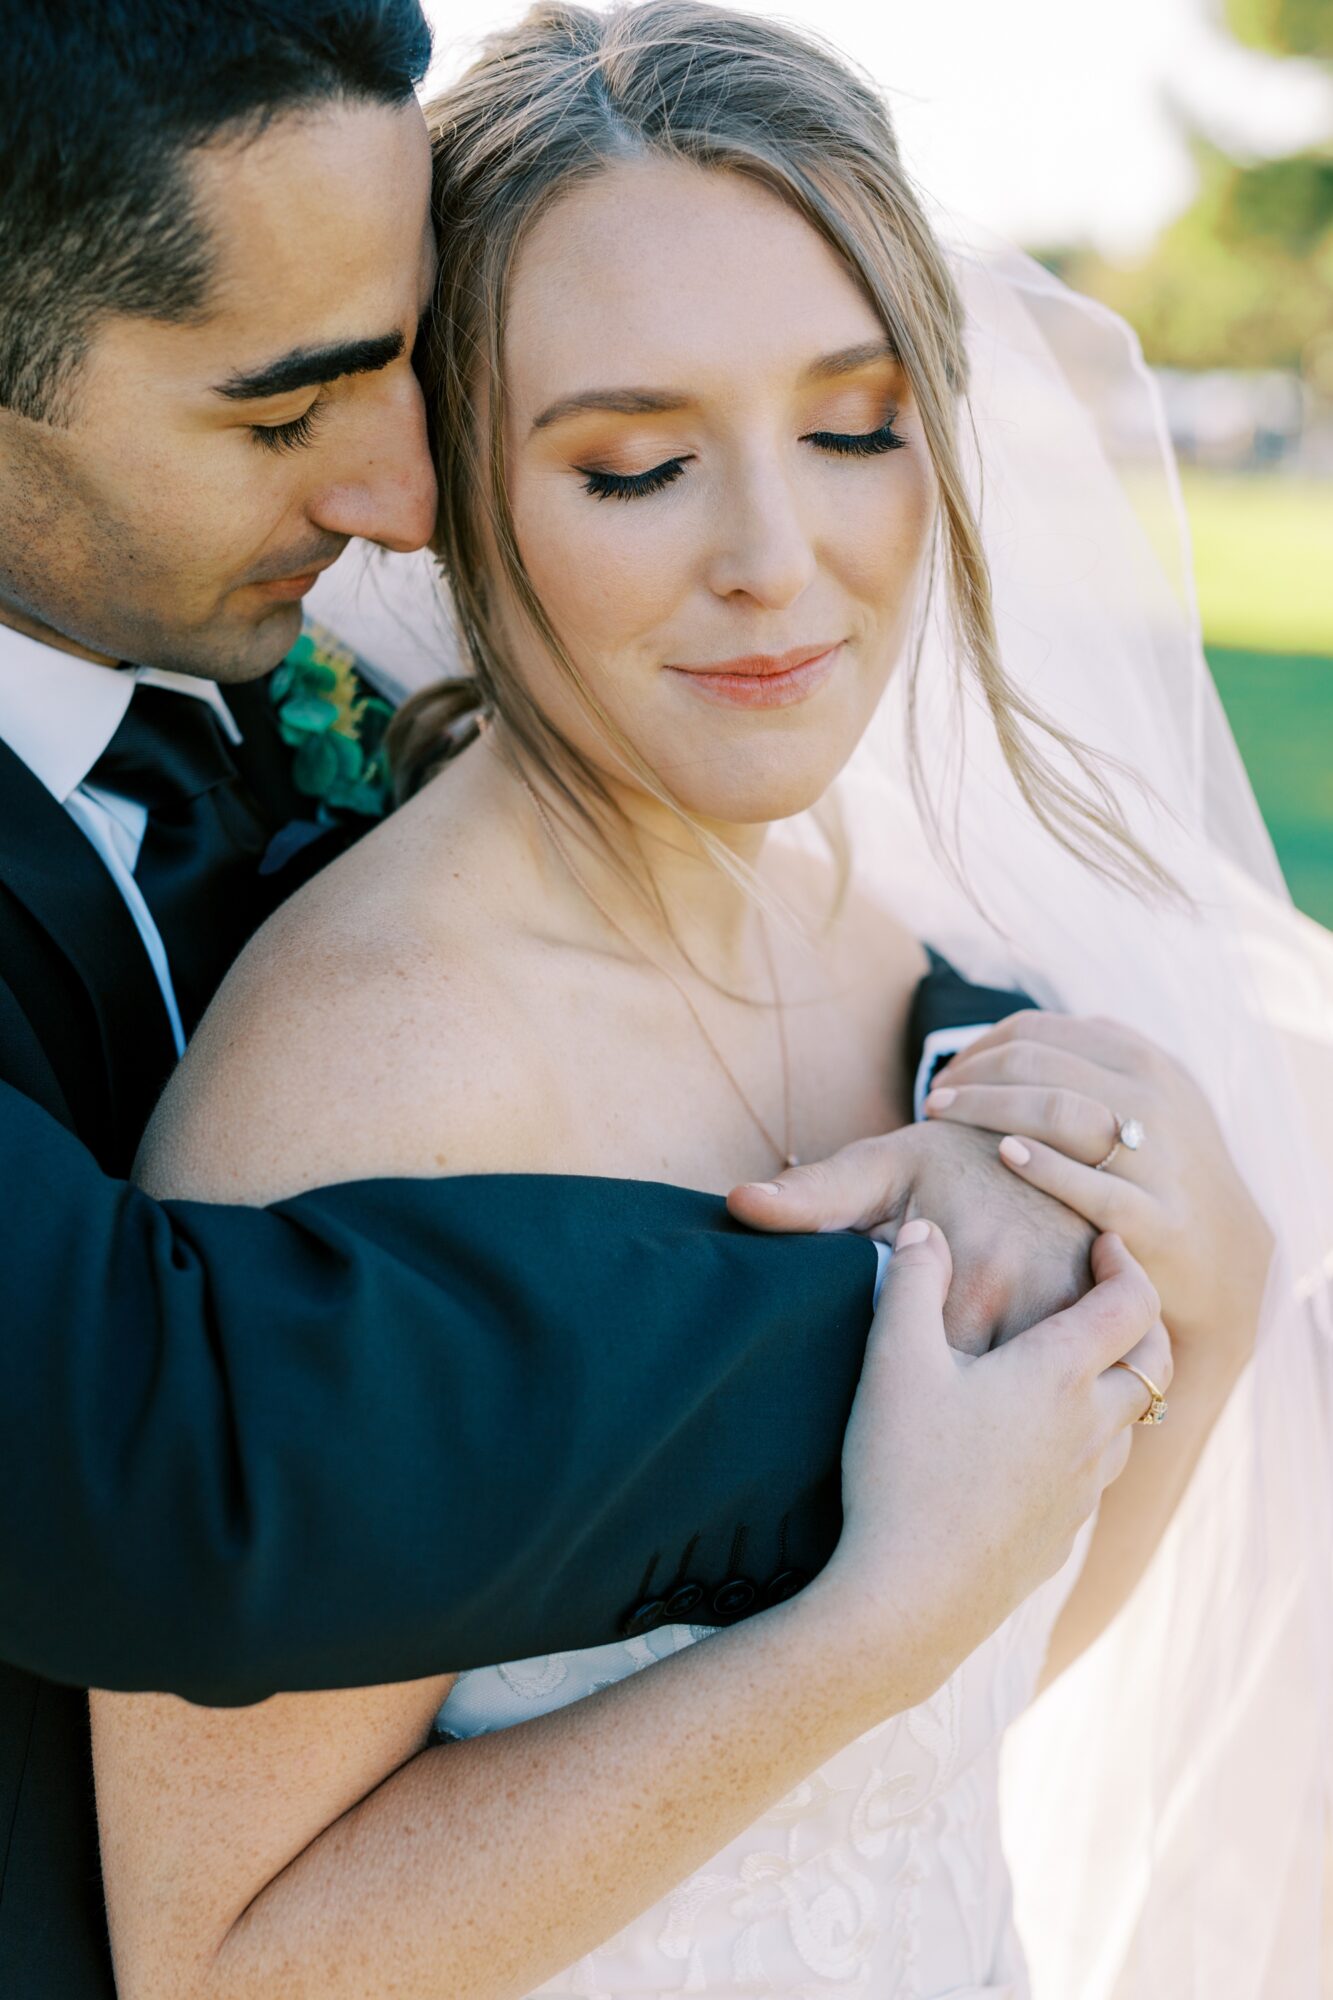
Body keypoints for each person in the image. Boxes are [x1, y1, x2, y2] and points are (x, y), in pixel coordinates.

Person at [89, 6, 1332, 1996]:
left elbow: (921, 1747)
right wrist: (874, 1615)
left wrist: (1190, 1285)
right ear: (450, 486)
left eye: (852, 427)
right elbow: (219, 1957)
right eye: (638, 464)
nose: (783, 559)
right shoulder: (375, 1069)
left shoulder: (897, 957)